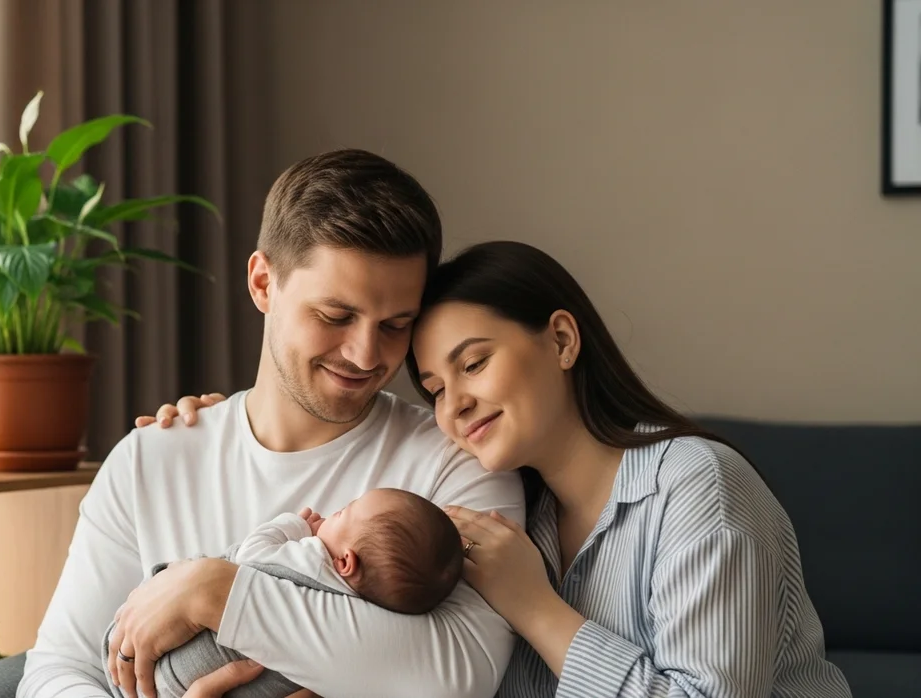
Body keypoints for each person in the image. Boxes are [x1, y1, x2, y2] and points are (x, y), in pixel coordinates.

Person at [143, 240, 854, 697]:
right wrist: (213, 424)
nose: (455, 406)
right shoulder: (508, 519)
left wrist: (536, 608)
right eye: (434, 389)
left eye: (473, 363)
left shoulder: (696, 487)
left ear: (563, 339)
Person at [16, 149, 526, 698]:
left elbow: (459, 673)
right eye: (335, 316)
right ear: (263, 283)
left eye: (395, 325)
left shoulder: (455, 462)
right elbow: (57, 672)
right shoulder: (152, 458)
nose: (364, 354)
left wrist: (214, 591)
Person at [99, 489, 466, 698]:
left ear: (345, 562)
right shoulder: (361, 621)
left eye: (342, 512)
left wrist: (293, 525)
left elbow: (250, 555)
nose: (330, 515)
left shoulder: (308, 560)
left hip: (162, 666)